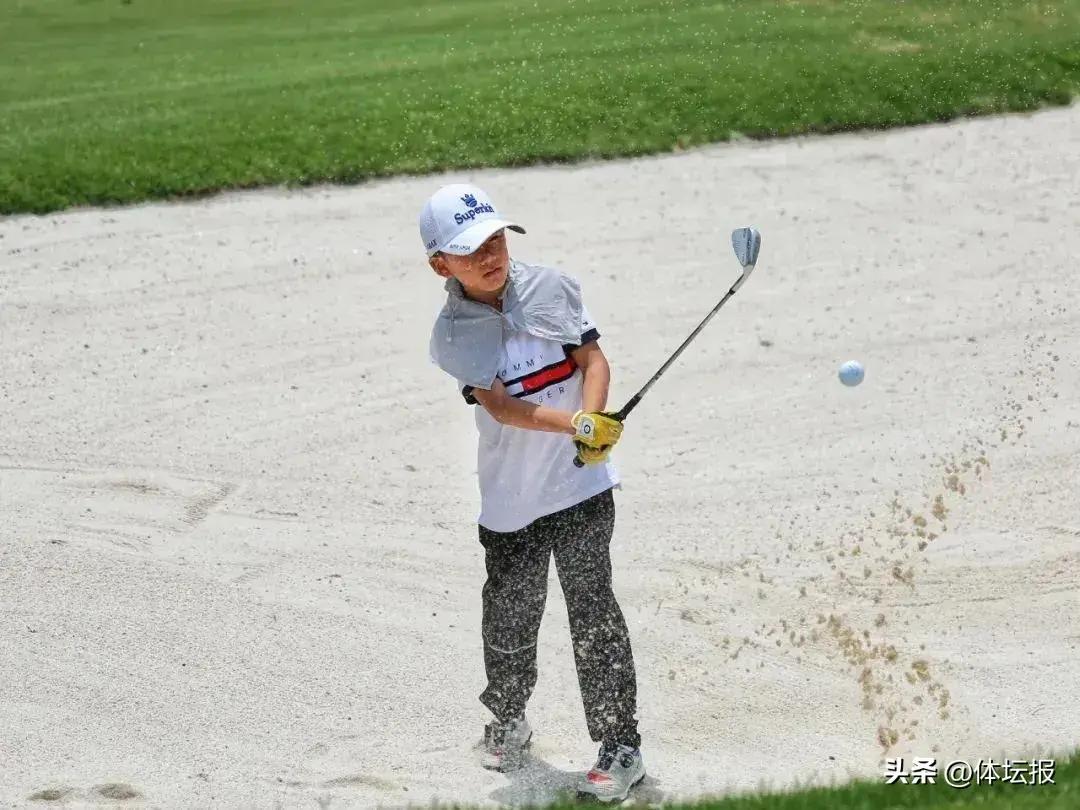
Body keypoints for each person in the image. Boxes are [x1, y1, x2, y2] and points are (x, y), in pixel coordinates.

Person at [420, 183, 645, 802]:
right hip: (511, 502)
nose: (490, 255)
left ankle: (621, 746)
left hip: (580, 489)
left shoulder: (551, 287)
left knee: (594, 613)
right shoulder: (452, 335)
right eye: (471, 249)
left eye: (495, 239)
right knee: (510, 617)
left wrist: (594, 422)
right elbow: (503, 408)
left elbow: (592, 361)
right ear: (441, 265)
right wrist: (576, 425)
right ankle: (508, 717)